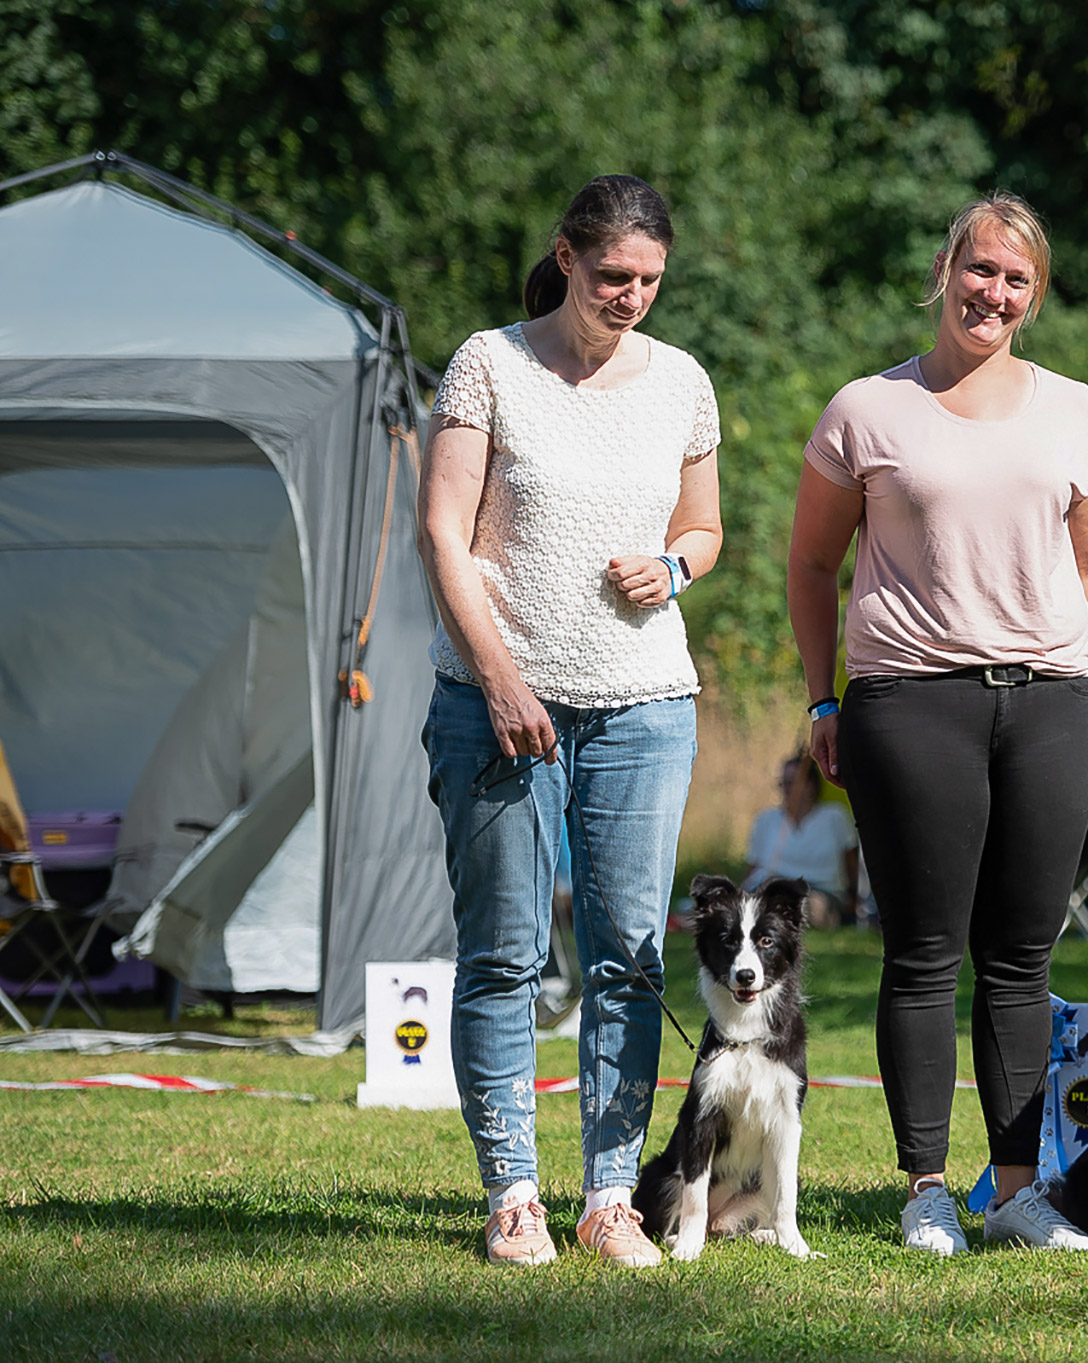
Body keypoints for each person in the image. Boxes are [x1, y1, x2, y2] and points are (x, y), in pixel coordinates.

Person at [787, 191, 1088, 1257]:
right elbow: (808, 563)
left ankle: (1017, 1192)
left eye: (1014, 278)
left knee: (1021, 958)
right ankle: (926, 1187)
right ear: (945, 269)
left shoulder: (1072, 405)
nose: (992, 292)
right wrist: (820, 696)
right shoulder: (865, 409)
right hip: (908, 702)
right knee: (925, 953)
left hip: (1051, 703)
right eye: (979, 269)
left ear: (1035, 295)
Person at [417, 174, 722, 1268]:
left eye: (647, 279)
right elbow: (441, 534)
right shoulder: (488, 362)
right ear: (566, 257)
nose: (629, 296)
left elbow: (705, 525)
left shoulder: (683, 380)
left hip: (645, 705)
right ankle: (511, 1194)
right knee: (505, 954)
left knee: (627, 961)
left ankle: (607, 1196)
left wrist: (675, 565)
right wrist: (499, 680)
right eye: (609, 277)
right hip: (500, 705)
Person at [743, 753, 860, 927]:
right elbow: (753, 869)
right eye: (784, 783)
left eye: (793, 782)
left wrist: (855, 900)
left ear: (811, 785)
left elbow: (852, 865)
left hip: (819, 894)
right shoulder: (766, 820)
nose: (787, 789)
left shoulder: (834, 817)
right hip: (771, 889)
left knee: (810, 907)